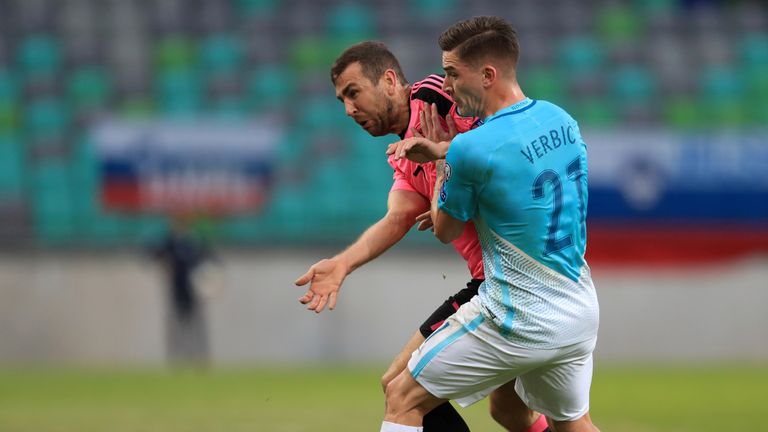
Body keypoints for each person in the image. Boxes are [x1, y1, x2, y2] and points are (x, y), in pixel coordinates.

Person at [294, 41, 549, 432]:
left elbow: (492, 147)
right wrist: (342, 264)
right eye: (341, 100)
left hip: (503, 282)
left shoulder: (432, 98)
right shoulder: (402, 154)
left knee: (401, 388)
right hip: (511, 281)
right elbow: (398, 218)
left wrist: (446, 167)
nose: (348, 110)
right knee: (510, 412)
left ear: (390, 81)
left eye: (353, 93)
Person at [382, 16, 600, 432]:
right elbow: (514, 160)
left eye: (451, 73)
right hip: (578, 309)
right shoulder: (562, 120)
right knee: (563, 422)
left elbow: (445, 229)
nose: (445, 85)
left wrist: (442, 161)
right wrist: (452, 150)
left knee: (401, 396)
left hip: (517, 316)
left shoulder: (469, 148)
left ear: (487, 74)